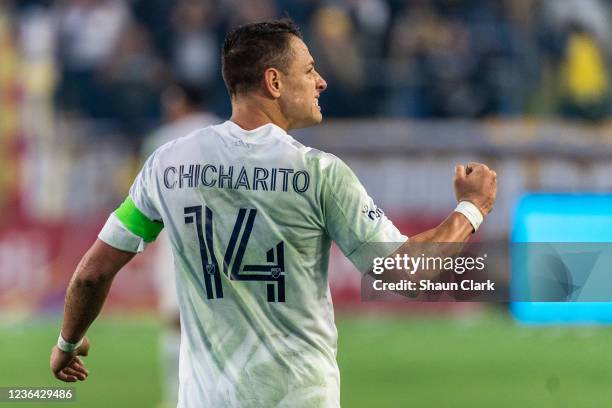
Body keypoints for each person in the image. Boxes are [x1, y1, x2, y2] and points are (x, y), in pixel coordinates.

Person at [50, 19, 497, 407]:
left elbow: (93, 273)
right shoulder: (319, 173)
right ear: (274, 82)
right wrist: (471, 208)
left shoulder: (167, 164)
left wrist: (67, 343)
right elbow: (405, 275)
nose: (321, 81)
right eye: (309, 70)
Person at [143, 82, 219, 408]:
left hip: (178, 238)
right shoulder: (226, 132)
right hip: (223, 240)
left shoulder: (163, 139)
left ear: (183, 102)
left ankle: (177, 397)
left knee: (176, 321)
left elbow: (146, 198)